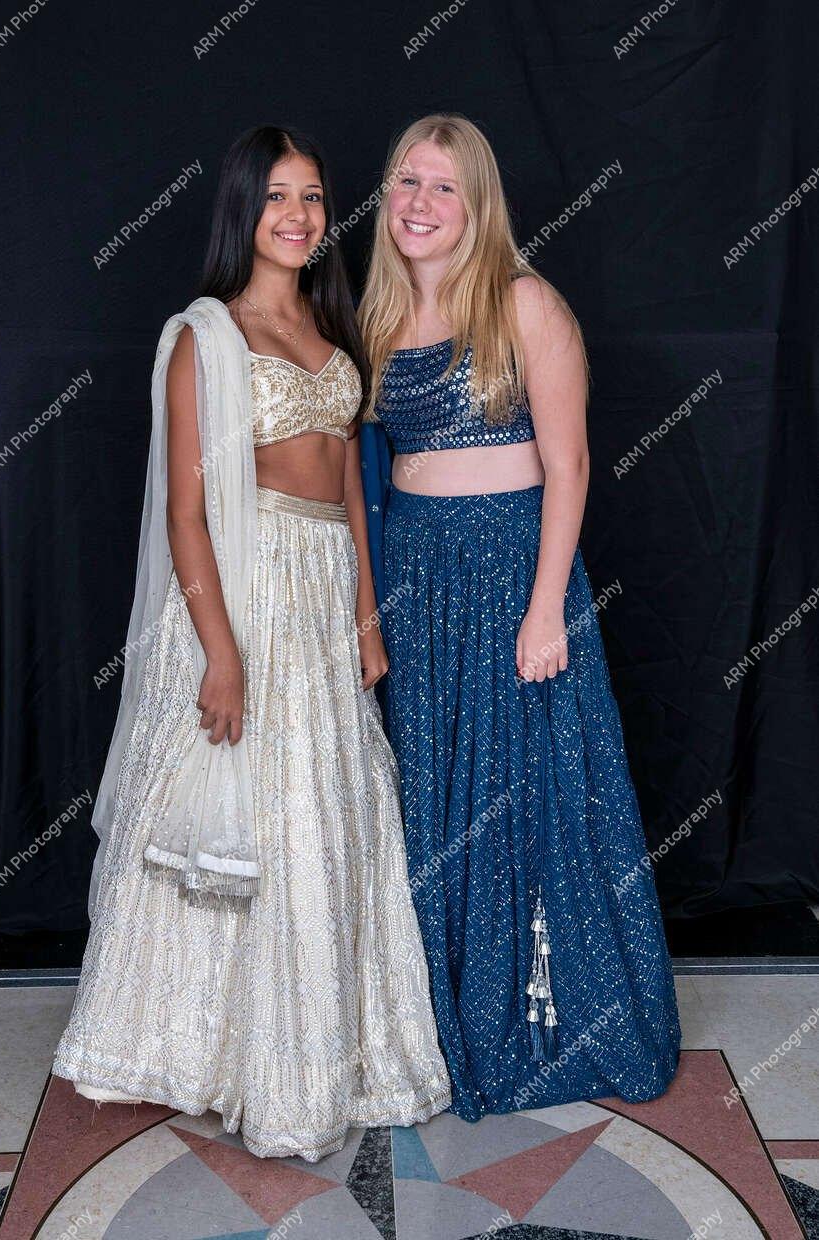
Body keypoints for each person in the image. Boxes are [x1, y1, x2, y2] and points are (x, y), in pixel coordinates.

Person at [53, 125, 450, 1161]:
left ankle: (327, 1044)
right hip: (249, 588)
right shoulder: (206, 337)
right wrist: (221, 654)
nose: (299, 215)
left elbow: (352, 487)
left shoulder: (332, 326)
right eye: (277, 196)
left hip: (325, 592)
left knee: (326, 807)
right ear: (243, 208)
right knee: (250, 809)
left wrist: (367, 613)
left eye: (313, 196)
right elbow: (186, 512)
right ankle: (215, 1051)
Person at [359, 113, 681, 1121]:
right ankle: (447, 1014)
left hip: (512, 574)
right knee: (440, 793)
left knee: (525, 788)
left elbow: (569, 465)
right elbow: (364, 476)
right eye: (407, 180)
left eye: (443, 186)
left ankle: (543, 1018)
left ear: (477, 204)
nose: (419, 202)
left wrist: (546, 612)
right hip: (421, 581)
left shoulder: (523, 301)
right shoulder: (378, 315)